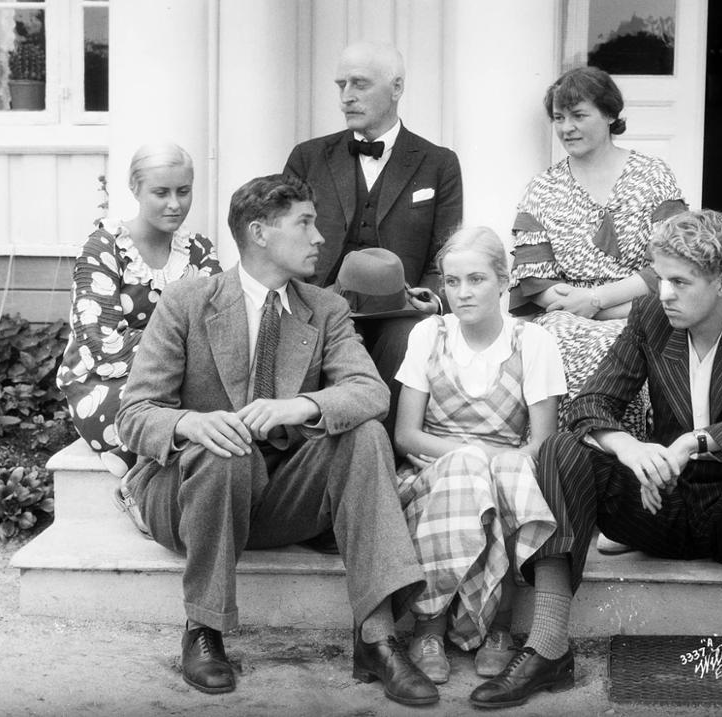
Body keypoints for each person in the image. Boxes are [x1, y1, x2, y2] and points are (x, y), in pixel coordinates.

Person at [470, 209, 722, 709]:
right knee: (560, 448)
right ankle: (548, 645)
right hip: (665, 502)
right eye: (661, 279)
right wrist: (630, 448)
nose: (664, 293)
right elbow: (590, 404)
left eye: (680, 282)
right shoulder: (650, 319)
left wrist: (697, 441)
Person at [115, 174, 439, 707]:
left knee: (364, 438)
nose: (320, 239)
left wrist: (304, 405)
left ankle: (376, 637)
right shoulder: (186, 303)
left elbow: (369, 392)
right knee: (225, 449)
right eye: (305, 223)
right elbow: (135, 414)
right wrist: (189, 424)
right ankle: (204, 630)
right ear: (259, 232)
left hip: (280, 495)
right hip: (192, 494)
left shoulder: (324, 307)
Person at [392, 227, 566, 684]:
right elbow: (406, 435)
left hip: (504, 480)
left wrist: (489, 463)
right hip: (431, 478)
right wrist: (470, 456)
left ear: (504, 281)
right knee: (473, 467)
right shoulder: (430, 333)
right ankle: (429, 626)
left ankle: (499, 626)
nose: (463, 293)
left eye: (476, 280)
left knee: (509, 469)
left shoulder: (532, 342)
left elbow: (541, 444)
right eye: (452, 282)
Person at [284, 41, 463, 436]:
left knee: (412, 338)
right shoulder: (308, 157)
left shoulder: (439, 163)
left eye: (360, 84)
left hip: (400, 309)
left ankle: (386, 455)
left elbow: (445, 256)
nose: (346, 97)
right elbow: (284, 243)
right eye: (341, 85)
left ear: (396, 87)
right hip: (318, 303)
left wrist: (430, 299)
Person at [508, 66, 686, 432]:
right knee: (552, 342)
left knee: (628, 344)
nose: (566, 127)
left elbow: (674, 264)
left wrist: (597, 301)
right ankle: (564, 460)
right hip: (564, 314)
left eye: (578, 115)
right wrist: (582, 306)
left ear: (608, 115)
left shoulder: (652, 176)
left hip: (642, 307)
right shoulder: (542, 189)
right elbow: (534, 280)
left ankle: (624, 463)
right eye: (558, 117)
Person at [56, 143, 221, 537]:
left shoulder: (198, 252)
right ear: (135, 189)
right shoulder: (104, 248)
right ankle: (141, 489)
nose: (174, 204)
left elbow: (219, 331)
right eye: (160, 193)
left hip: (174, 381)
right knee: (164, 413)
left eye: (183, 191)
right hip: (106, 384)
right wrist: (181, 350)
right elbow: (102, 346)